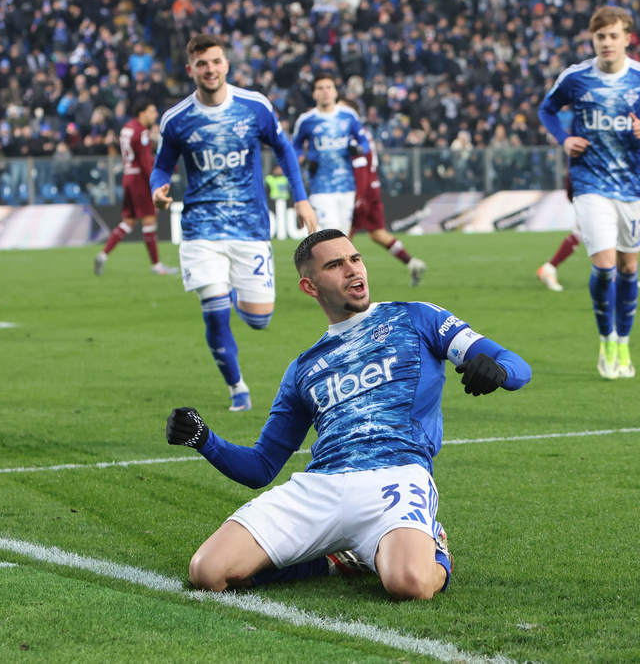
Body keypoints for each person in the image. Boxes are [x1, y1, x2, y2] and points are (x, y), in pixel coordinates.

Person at [165, 228, 532, 600]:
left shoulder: (417, 319)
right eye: (336, 265)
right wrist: (204, 440)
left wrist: (500, 371)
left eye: (355, 259)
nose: (353, 270)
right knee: (208, 572)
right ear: (310, 287)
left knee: (411, 585)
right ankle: (338, 560)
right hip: (321, 486)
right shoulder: (303, 369)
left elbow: (515, 364)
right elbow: (261, 467)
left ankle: (435, 547)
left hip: (397, 475)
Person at [150, 34, 317, 412]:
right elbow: (162, 165)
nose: (209, 69)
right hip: (200, 230)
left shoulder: (253, 106)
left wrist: (301, 198)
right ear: (190, 69)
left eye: (216, 61)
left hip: (250, 228)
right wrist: (157, 189)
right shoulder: (176, 119)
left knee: (260, 320)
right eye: (202, 64)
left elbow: (284, 150)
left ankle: (237, 296)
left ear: (226, 64)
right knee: (215, 307)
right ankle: (237, 387)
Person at [538, 6, 640, 379]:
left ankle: (624, 344)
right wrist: (564, 138)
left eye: (613, 35)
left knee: (629, 267)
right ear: (593, 39)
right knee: (604, 268)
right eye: (600, 36)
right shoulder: (576, 77)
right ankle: (606, 340)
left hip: (630, 187)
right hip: (589, 184)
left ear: (627, 38)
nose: (606, 42)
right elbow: (547, 110)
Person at [340, 98, 427, 287]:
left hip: (361, 191)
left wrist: (358, 197)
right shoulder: (364, 133)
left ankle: (342, 283)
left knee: (342, 239)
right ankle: (412, 262)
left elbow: (360, 166)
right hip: (373, 187)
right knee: (377, 233)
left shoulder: (351, 135)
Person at [536, 159, 640, 292]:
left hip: (597, 194)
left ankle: (619, 275)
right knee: (586, 232)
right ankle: (549, 268)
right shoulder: (592, 147)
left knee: (595, 233)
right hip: (592, 195)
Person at [94, 99, 177, 276]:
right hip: (140, 179)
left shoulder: (127, 128)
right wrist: (157, 181)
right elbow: (145, 162)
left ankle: (103, 255)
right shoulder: (142, 132)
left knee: (128, 222)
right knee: (149, 220)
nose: (155, 114)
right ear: (142, 113)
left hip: (128, 176)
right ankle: (156, 266)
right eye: (152, 110)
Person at [292, 74, 371, 234]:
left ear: (335, 92)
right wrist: (303, 161)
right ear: (314, 94)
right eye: (320, 88)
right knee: (332, 232)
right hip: (321, 187)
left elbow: (365, 144)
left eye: (329, 87)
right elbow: (294, 149)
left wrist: (358, 149)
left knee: (344, 235)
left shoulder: (348, 115)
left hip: (347, 185)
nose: (325, 91)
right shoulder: (306, 120)